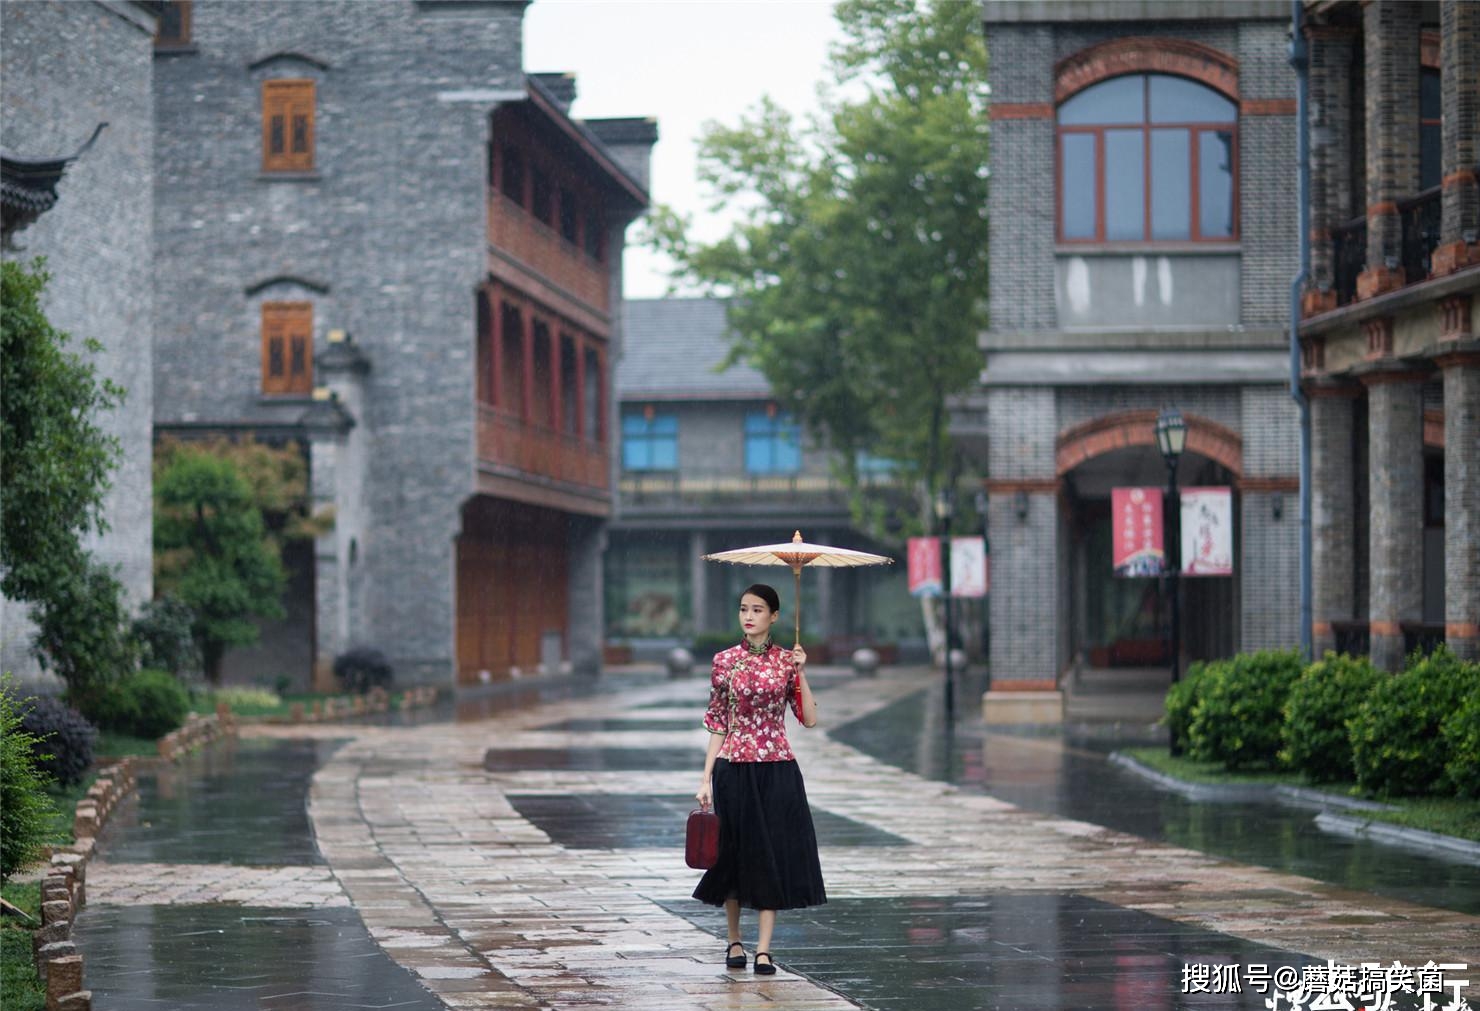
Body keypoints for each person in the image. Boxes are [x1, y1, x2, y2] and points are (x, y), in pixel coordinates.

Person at [693, 583, 825, 976]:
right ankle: (734, 940)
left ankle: (764, 950)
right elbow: (718, 722)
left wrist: (801, 673)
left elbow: (810, 718)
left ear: (774, 616)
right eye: (743, 609)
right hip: (732, 768)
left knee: (771, 853)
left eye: (757, 610)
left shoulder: (787, 661)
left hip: (777, 768)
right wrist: (705, 778)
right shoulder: (724, 661)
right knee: (731, 854)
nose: (748, 616)